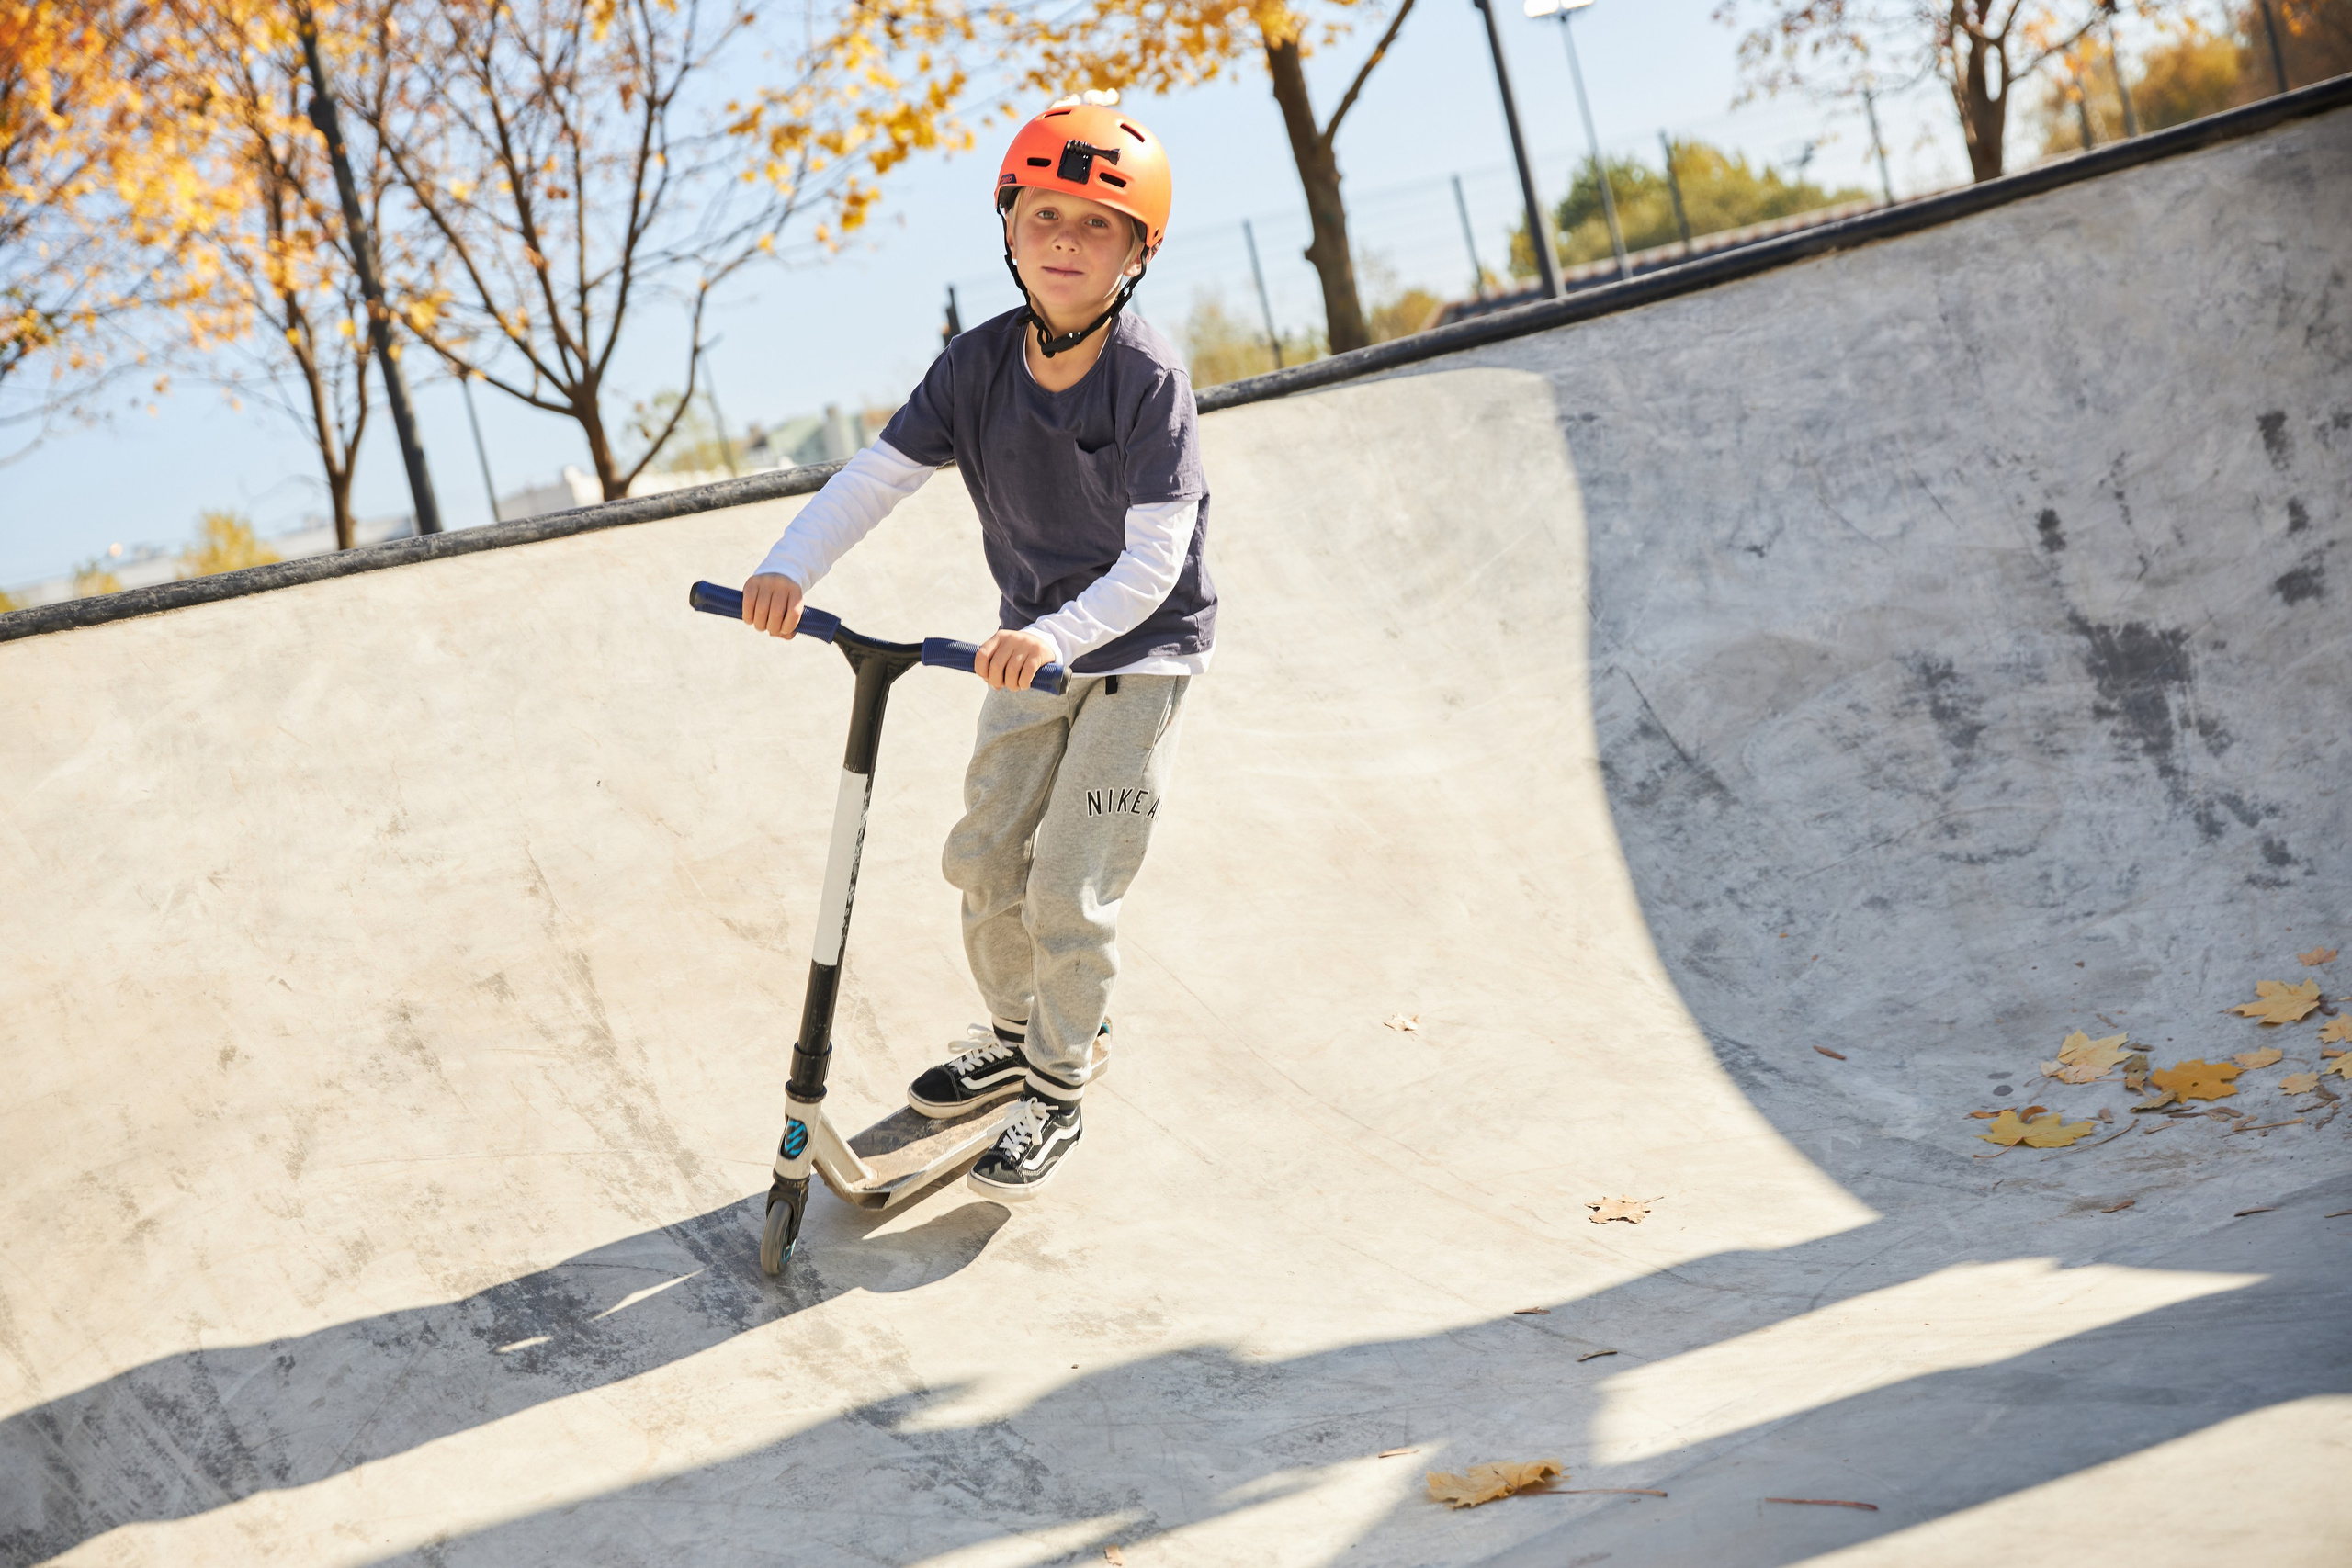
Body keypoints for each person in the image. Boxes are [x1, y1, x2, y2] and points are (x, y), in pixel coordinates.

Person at [738, 96, 1215, 1201]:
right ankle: (1017, 1032)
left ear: (1138, 250)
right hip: (1028, 649)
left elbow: (1154, 561)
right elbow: (876, 477)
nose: (1065, 239)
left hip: (1137, 659)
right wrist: (787, 569)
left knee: (1068, 885)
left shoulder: (1147, 377)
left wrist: (1051, 635)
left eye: (1099, 224)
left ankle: (1057, 1084)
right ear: (1007, 225)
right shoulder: (977, 367)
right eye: (1045, 213)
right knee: (983, 858)